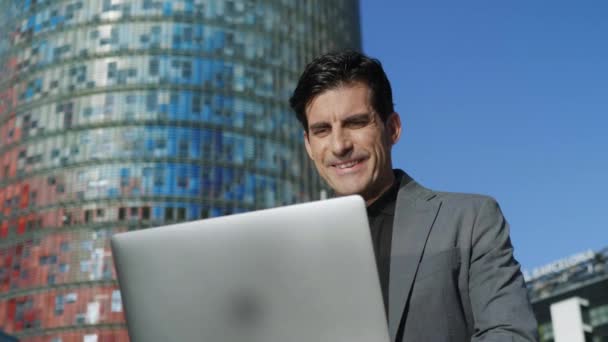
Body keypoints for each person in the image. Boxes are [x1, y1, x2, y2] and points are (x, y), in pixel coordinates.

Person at [289, 50, 538, 341]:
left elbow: (511, 334)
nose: (339, 145)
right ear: (308, 145)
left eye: (355, 123)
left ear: (392, 128)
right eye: (322, 130)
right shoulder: (291, 252)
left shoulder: (470, 220)